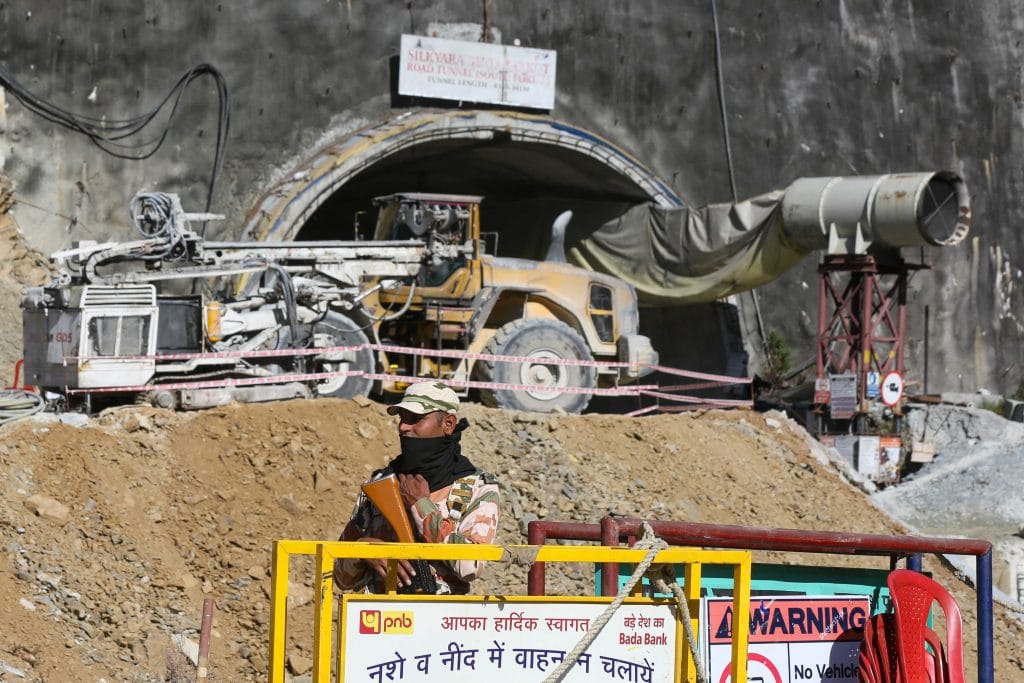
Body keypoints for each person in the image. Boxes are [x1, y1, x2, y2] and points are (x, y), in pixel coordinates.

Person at [334, 381, 501, 595]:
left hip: (441, 618)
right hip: (379, 618)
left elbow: (470, 566)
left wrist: (420, 505)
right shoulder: (380, 483)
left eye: (416, 419)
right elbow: (341, 576)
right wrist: (363, 548)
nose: (403, 426)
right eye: (402, 418)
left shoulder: (477, 487)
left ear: (448, 424)